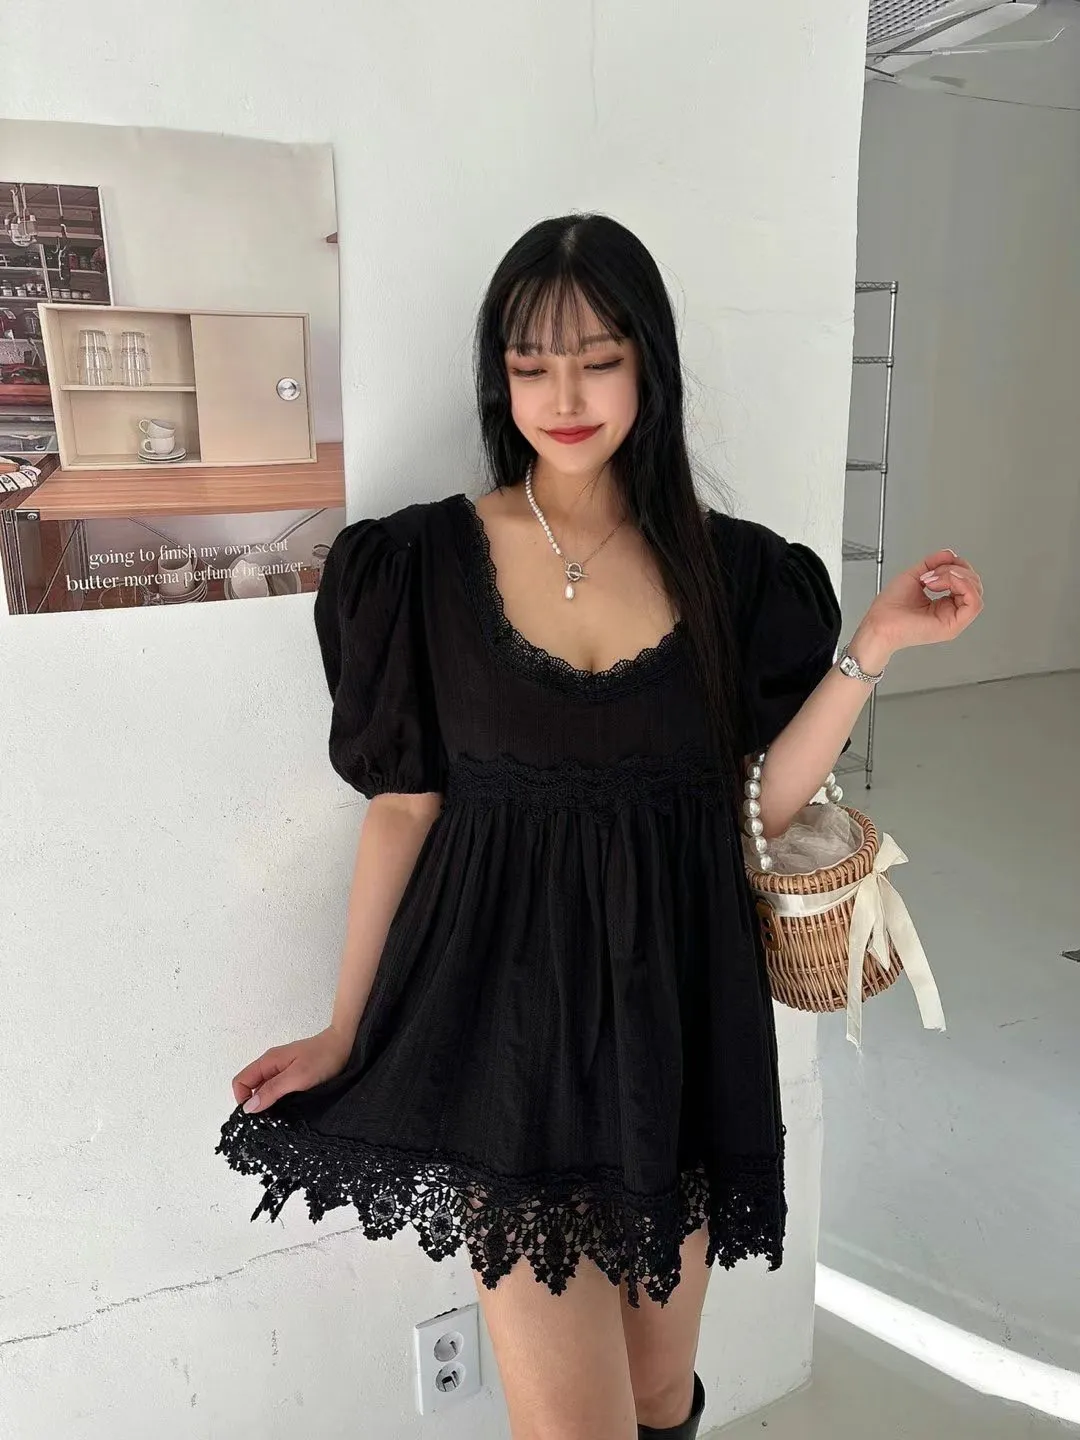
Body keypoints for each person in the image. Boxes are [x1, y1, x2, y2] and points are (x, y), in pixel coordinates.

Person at [215, 213, 983, 1440]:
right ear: (500, 377)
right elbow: (402, 808)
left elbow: (751, 810)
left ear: (649, 367)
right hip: (506, 1043)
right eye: (531, 365)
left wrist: (875, 646)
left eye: (598, 359)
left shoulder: (735, 576)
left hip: (678, 1032)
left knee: (658, 1394)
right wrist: (346, 1026)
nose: (563, 397)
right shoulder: (420, 565)